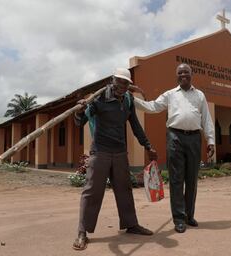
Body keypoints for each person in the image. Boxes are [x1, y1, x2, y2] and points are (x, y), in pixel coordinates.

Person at [72, 68, 158, 250]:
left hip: (119, 152)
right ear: (113, 80)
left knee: (124, 190)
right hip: (100, 151)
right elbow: (80, 123)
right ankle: (82, 232)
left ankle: (131, 224)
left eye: (126, 83)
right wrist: (80, 111)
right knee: (92, 191)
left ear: (128, 85)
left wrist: (148, 145)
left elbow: (135, 125)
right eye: (119, 81)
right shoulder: (99, 99)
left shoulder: (127, 100)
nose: (122, 86)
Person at [131, 63, 215, 233]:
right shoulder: (170, 95)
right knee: (177, 180)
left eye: (186, 72)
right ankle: (178, 219)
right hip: (175, 137)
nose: (183, 74)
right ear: (176, 76)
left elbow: (206, 118)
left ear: (191, 75)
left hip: (194, 139)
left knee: (191, 179)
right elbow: (153, 106)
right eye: (180, 72)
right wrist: (131, 100)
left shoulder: (199, 95)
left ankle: (189, 216)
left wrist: (211, 140)